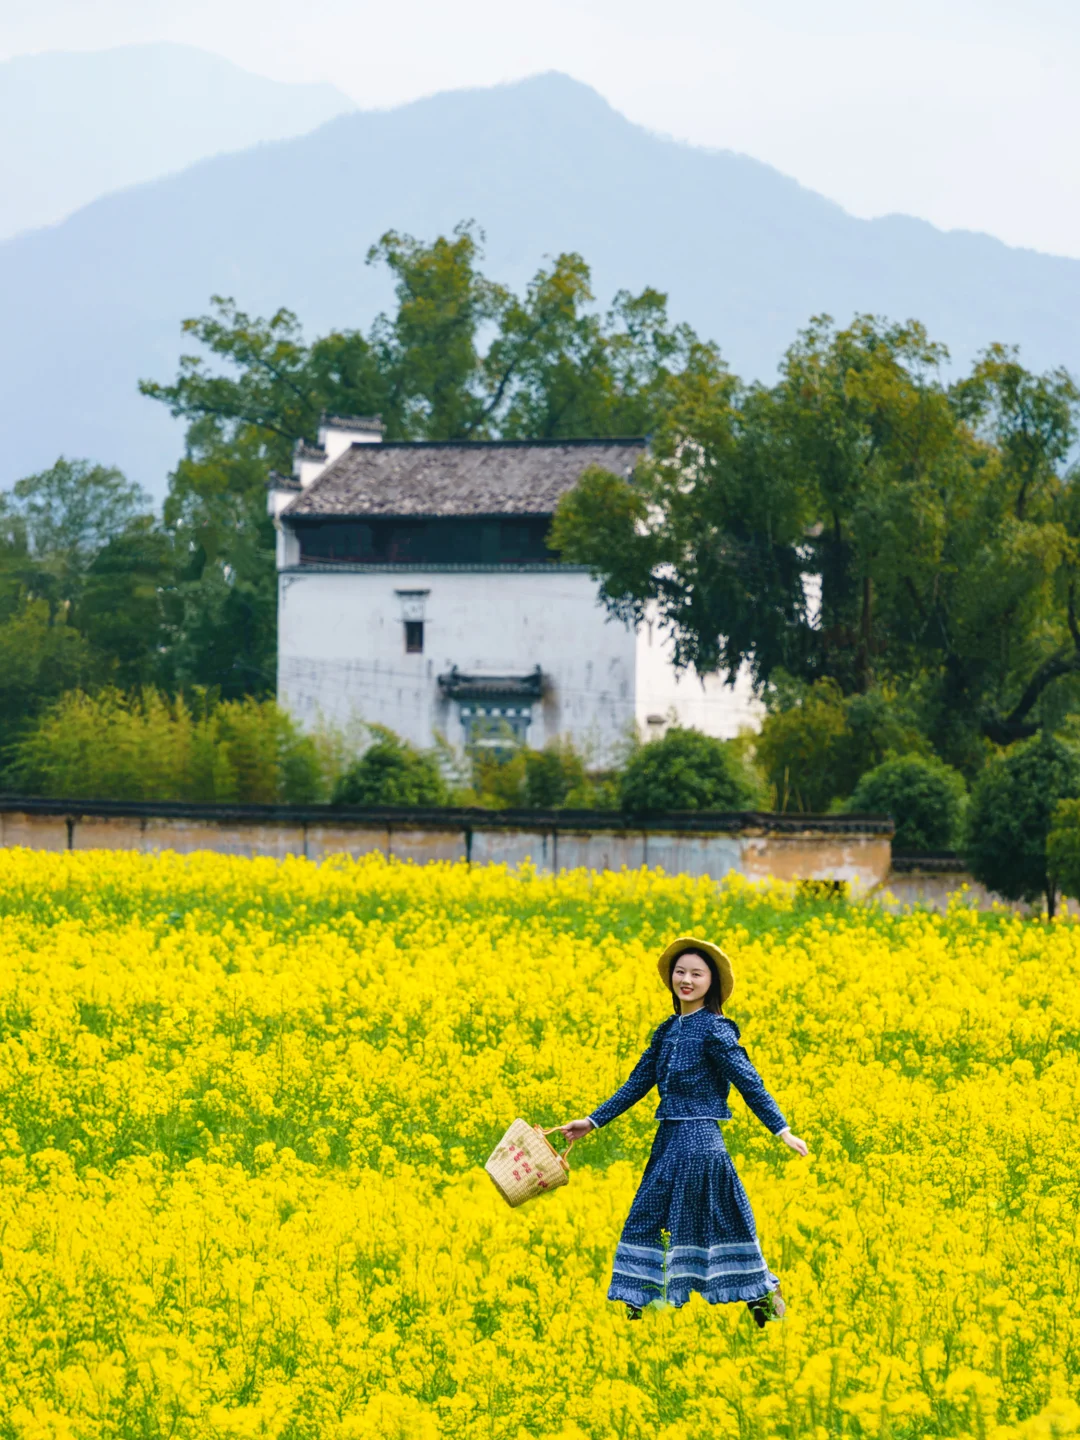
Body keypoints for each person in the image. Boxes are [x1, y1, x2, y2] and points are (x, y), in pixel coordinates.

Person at [560, 935, 809, 1325]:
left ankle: (763, 1305)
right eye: (680, 972)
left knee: (718, 1224)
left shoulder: (716, 1029)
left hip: (701, 1146)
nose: (686, 980)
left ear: (711, 983)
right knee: (650, 1221)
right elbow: (637, 1083)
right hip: (669, 1142)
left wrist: (782, 1130)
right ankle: (642, 1319)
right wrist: (592, 1121)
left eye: (696, 973)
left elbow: (749, 1082)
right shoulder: (668, 1030)